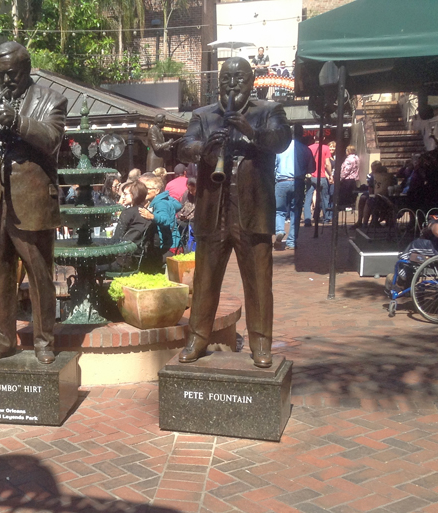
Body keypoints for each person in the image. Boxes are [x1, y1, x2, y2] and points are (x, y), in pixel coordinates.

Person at [177, 56, 291, 368]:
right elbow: (183, 146)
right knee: (205, 280)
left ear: (251, 81)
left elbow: (282, 140)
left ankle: (260, 343)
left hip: (251, 210)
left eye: (238, 79)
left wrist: (251, 132)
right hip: (214, 211)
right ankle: (197, 337)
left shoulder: (268, 111)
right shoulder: (203, 115)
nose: (231, 85)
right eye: (226, 79)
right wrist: (203, 148)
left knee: (257, 282)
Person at [0, 41, 66, 365]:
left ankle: (44, 341)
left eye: (12, 75)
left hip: (32, 200)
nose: (5, 81)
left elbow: (52, 139)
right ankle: (2, 341)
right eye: (1, 74)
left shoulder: (51, 99)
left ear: (27, 68)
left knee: (39, 275)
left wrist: (17, 120)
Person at [111, 181, 162, 273]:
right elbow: (156, 242)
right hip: (141, 261)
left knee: (94, 265)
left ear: (134, 195)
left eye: (126, 194)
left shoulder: (128, 213)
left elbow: (116, 239)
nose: (123, 197)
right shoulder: (148, 214)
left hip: (123, 262)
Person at [140, 173, 180, 255]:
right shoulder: (165, 198)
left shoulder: (161, 203)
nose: (145, 191)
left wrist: (152, 216)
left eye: (147, 188)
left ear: (157, 190)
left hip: (169, 247)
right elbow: (178, 206)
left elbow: (166, 219)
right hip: (174, 243)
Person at [304, 138, 333, 225]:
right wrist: (330, 175)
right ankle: (326, 218)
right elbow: (327, 164)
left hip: (311, 177)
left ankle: (307, 219)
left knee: (308, 198)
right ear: (324, 138)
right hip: (322, 177)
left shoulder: (308, 148)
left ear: (314, 138)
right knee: (325, 198)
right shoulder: (325, 148)